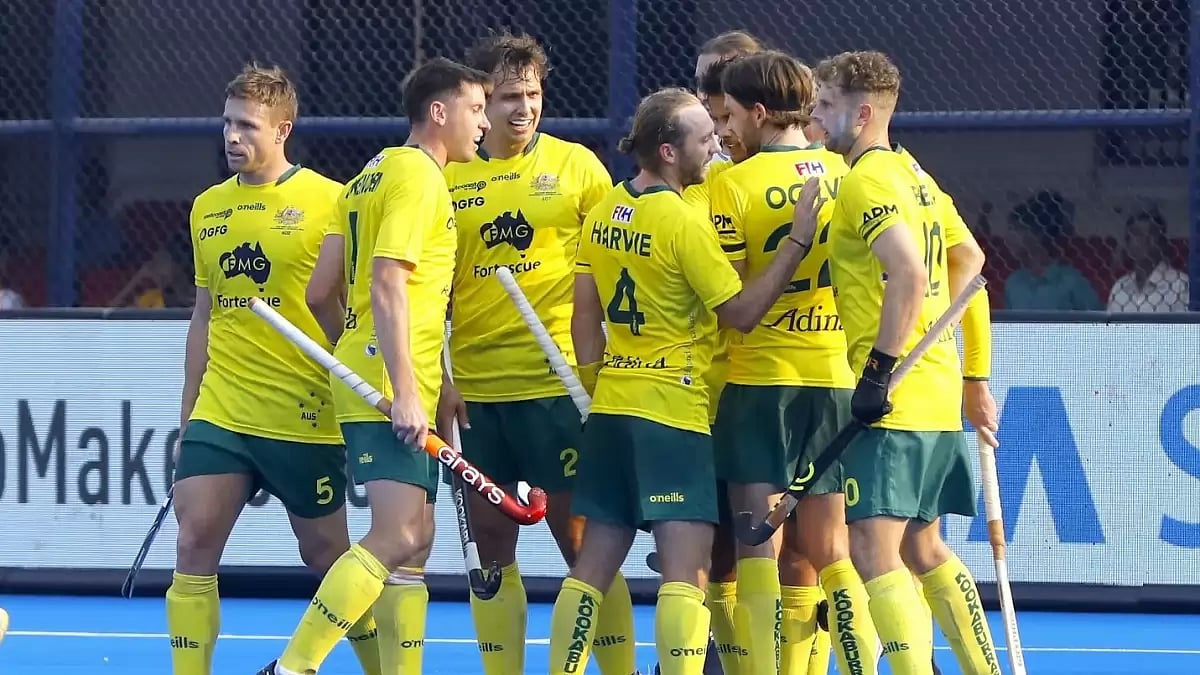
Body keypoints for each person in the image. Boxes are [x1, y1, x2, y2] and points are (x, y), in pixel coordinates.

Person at [546, 87, 816, 675]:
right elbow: (740, 312)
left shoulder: (604, 211)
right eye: (704, 138)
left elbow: (583, 323)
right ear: (668, 151)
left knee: (591, 569)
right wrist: (796, 242)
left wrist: (599, 383)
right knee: (685, 575)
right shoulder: (682, 222)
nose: (715, 146)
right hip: (674, 413)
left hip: (612, 408)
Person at [258, 57, 492, 675]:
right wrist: (405, 388)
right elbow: (389, 282)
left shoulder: (369, 175)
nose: (484, 123)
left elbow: (319, 292)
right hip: (392, 380)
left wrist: (384, 362)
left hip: (379, 369)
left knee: (415, 545)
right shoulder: (420, 177)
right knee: (397, 536)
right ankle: (293, 667)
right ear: (438, 112)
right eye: (475, 109)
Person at [167, 64, 383, 675]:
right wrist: (188, 415)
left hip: (304, 415)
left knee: (327, 556)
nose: (232, 137)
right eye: (227, 123)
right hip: (224, 409)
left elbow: (358, 307)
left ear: (283, 129)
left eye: (247, 125)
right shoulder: (207, 208)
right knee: (194, 541)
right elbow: (204, 317)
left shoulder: (331, 200)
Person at [433, 31, 636, 675]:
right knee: (491, 550)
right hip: (479, 394)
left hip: (559, 391)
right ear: (479, 102)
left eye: (533, 94)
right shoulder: (446, 178)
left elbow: (616, 270)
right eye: (508, 97)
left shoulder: (578, 168)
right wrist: (440, 378)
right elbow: (427, 293)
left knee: (586, 547)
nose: (524, 109)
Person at [807, 50, 1000, 675]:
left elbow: (910, 272)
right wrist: (964, 367)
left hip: (894, 396)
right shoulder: (915, 174)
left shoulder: (866, 181)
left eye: (826, 105)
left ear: (862, 114)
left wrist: (879, 368)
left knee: (873, 549)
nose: (816, 116)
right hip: (934, 387)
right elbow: (969, 261)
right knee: (924, 546)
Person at [706, 50, 861, 675]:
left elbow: (728, 302)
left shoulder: (729, 186)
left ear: (759, 112)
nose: (726, 126)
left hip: (759, 381)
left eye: (731, 114)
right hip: (834, 375)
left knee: (757, 547)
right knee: (831, 552)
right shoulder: (846, 172)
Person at [681, 39, 764, 675]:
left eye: (723, 95)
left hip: (758, 382)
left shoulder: (731, 180)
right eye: (706, 88)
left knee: (793, 547)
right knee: (720, 546)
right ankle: (722, 657)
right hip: (708, 386)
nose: (713, 105)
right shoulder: (696, 174)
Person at [1107, 206, 1189, 312]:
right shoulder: (1120, 287)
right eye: (1136, 234)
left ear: (1162, 242)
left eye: (1151, 234)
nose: (1145, 240)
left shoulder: (1180, 285)